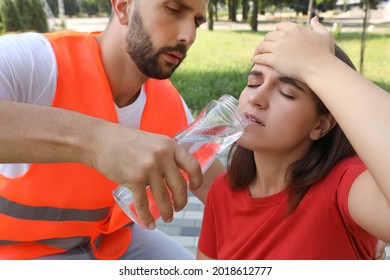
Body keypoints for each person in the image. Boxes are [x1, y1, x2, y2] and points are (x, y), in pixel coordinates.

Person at [0, 0, 225, 260]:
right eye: (174, 10)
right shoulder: (35, 61)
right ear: (122, 6)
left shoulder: (169, 106)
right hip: (15, 251)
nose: (189, 36)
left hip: (111, 242)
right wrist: (97, 142)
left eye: (197, 22)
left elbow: (222, 193)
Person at [197, 17, 390, 259]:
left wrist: (320, 66)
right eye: (253, 82)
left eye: (286, 93)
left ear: (321, 124)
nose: (257, 98)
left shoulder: (343, 188)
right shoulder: (222, 192)